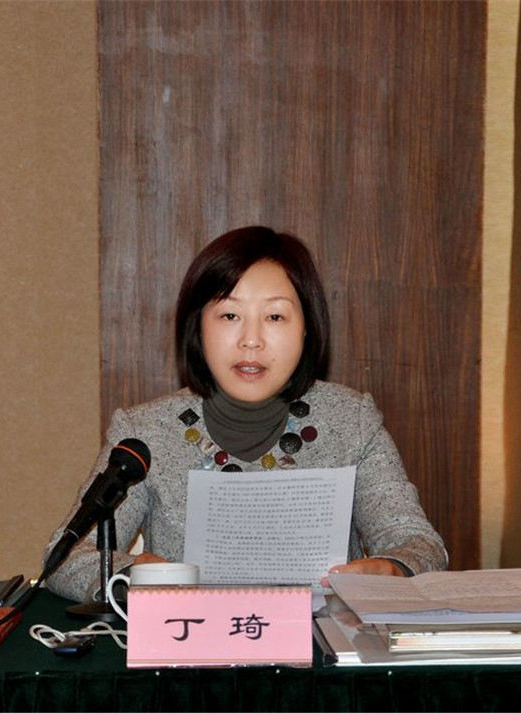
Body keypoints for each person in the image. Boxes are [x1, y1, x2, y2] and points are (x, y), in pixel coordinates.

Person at [44, 226, 447, 602]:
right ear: (198, 327)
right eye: (229, 316)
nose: (251, 340)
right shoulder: (146, 432)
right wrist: (131, 573)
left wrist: (391, 568)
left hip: (317, 647)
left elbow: (418, 543)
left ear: (306, 328)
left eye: (275, 317)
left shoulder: (351, 421)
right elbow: (66, 558)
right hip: (190, 645)